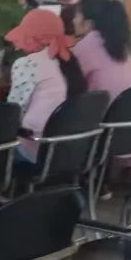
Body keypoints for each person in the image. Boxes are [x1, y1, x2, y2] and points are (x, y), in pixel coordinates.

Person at [5, 9, 86, 160]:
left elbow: (13, 112)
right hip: (68, 150)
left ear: (35, 39)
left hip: (33, 148)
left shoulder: (27, 63)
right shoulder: (69, 60)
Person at [72, 0, 131, 102]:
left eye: (76, 16)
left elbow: (68, 80)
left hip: (97, 110)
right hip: (121, 109)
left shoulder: (88, 43)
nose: (73, 21)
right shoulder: (120, 41)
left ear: (88, 23)